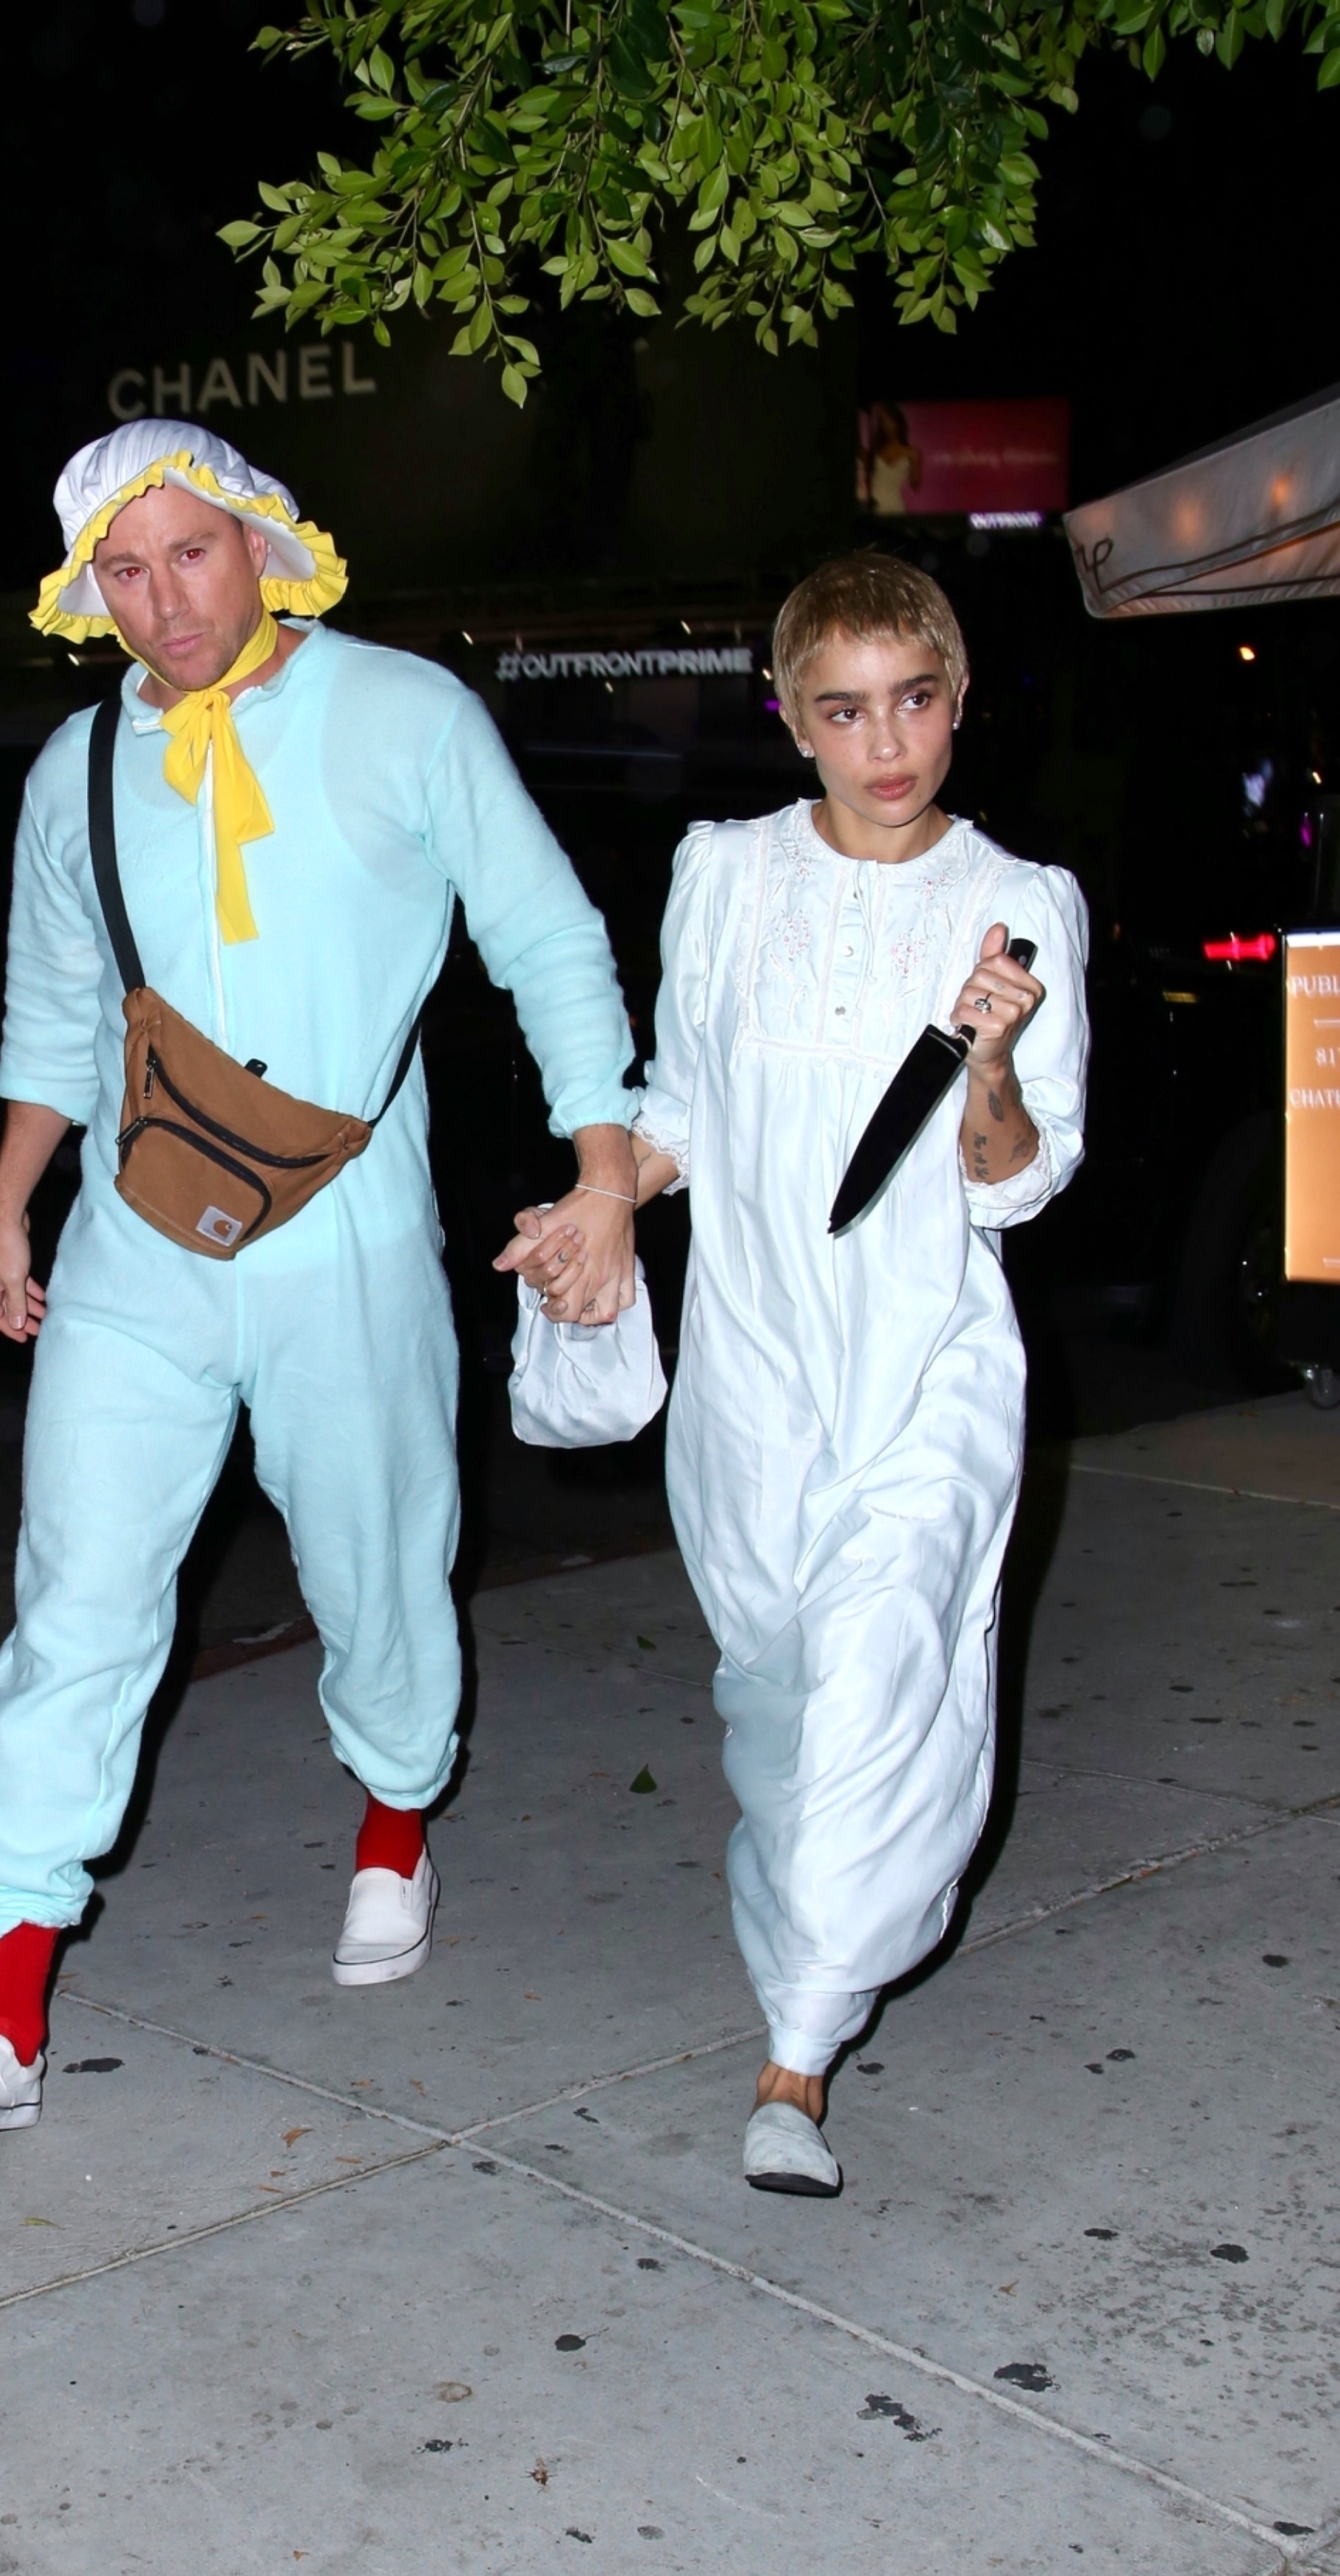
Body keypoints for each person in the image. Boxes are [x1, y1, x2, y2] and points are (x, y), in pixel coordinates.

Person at [0, 420, 639, 2134]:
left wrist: (604, 1171)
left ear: (262, 545)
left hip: (348, 1229)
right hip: (138, 1241)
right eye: (125, 574)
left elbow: (547, 938)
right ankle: (6, 2007)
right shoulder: (75, 772)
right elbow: (55, 1019)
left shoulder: (405, 716)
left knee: (379, 1560)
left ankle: (393, 1817)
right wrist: (10, 1203)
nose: (162, 603)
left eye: (190, 556)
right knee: (77, 1588)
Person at [514, 553, 1088, 2195]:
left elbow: (1014, 1178)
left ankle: (799, 2057)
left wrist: (988, 1059)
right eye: (844, 709)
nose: (885, 740)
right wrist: (600, 1197)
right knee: (779, 1691)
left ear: (958, 699)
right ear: (794, 720)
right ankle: (812, 1958)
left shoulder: (1020, 904)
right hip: (753, 1368)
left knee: (882, 1679)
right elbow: (679, 1105)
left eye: (914, 700)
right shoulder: (723, 873)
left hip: (930, 1360)